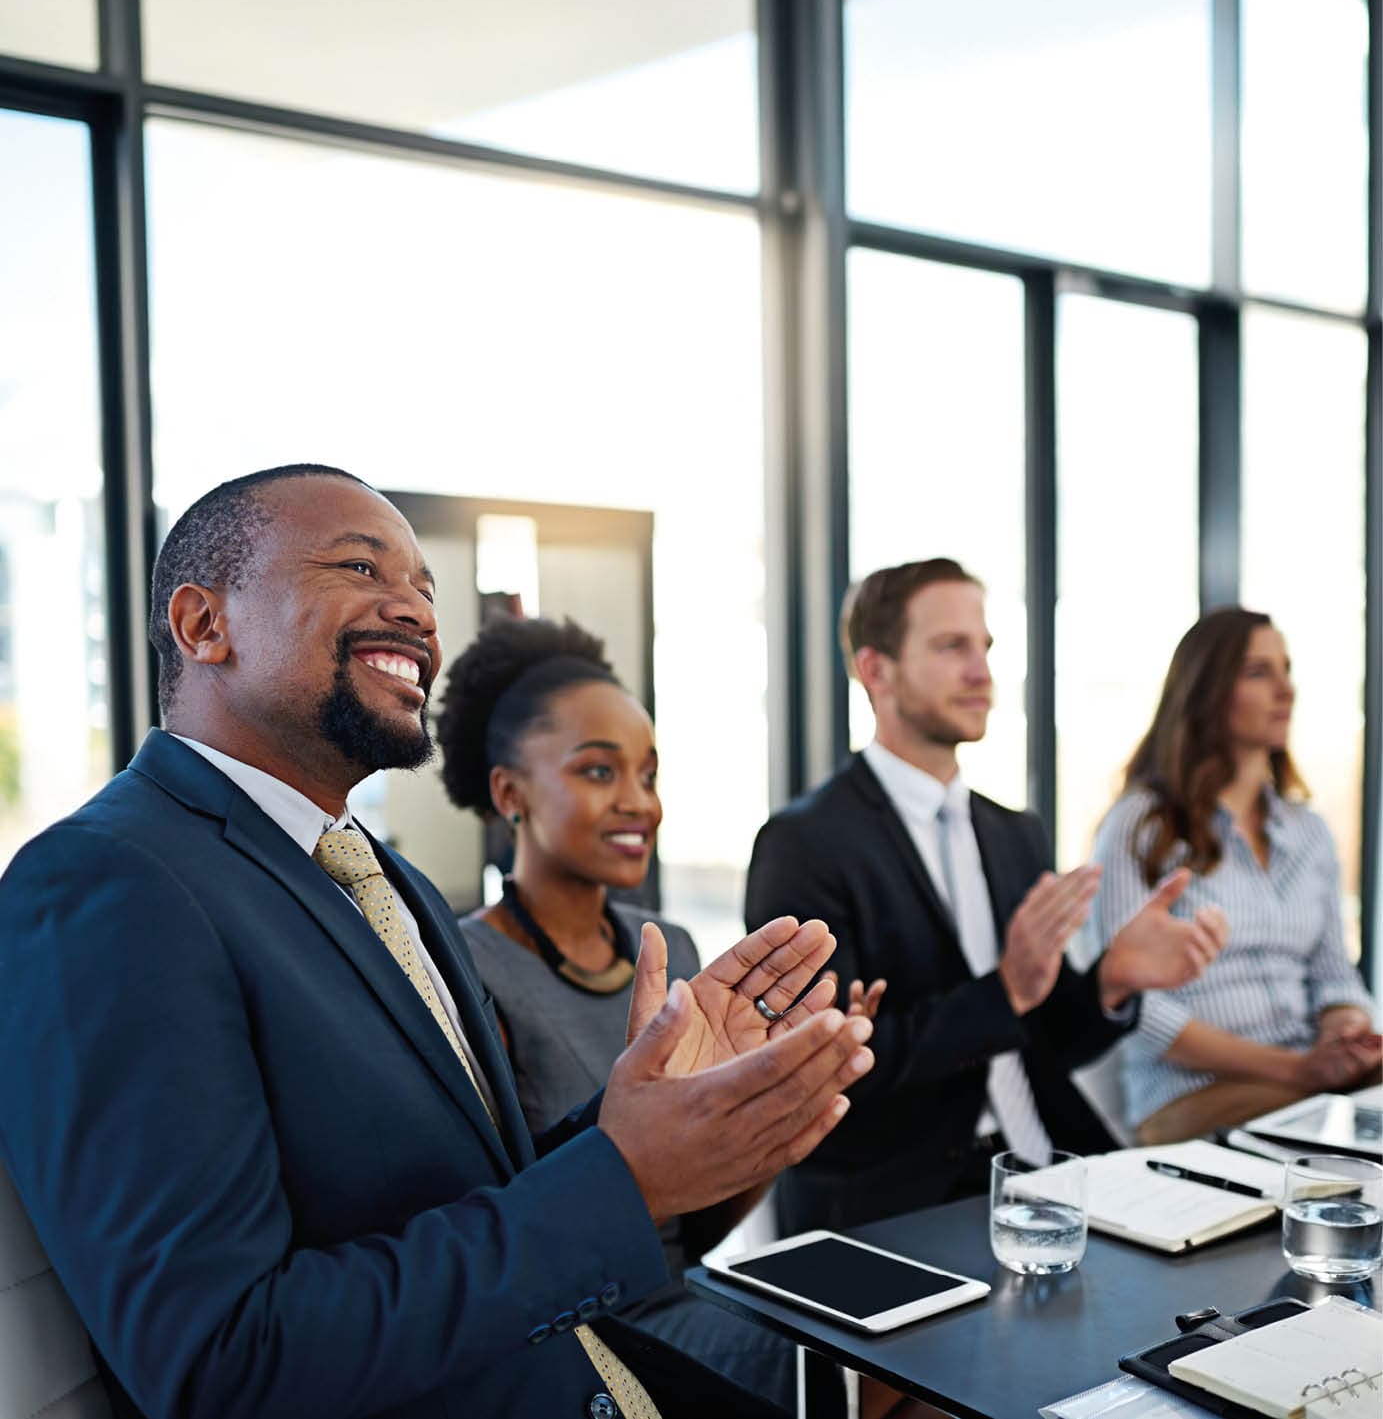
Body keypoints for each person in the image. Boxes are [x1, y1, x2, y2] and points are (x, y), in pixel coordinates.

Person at [0, 464, 876, 1419]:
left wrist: (644, 1119)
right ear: (204, 624)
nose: (415, 612)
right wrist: (620, 1175)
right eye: (360, 568)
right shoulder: (103, 880)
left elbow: (464, 1191)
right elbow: (223, 1361)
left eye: (424, 586)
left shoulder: (386, 879)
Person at [744, 558, 1229, 1234]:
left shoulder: (1013, 833)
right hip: (895, 1197)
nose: (982, 672)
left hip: (1045, 1165)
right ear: (875, 670)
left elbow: (1041, 1039)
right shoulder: (804, 843)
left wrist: (1112, 980)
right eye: (951, 647)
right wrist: (1004, 989)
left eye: (984, 647)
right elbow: (826, 1068)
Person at [433, 613, 795, 1410]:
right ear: (508, 792)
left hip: (689, 1296)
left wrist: (772, 1120)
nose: (639, 802)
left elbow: (692, 1225)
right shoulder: (464, 970)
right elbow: (503, 1236)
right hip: (575, 1333)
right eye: (600, 772)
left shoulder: (669, 947)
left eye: (649, 774)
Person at [1089, 606, 1381, 1144]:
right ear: (1207, 691)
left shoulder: (1308, 832)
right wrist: (1294, 1069)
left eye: (1285, 669)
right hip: (1197, 1093)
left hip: (1312, 1080)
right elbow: (1138, 1011)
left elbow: (1335, 975)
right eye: (1258, 672)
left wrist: (1346, 1027)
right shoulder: (1142, 824)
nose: (1285, 690)